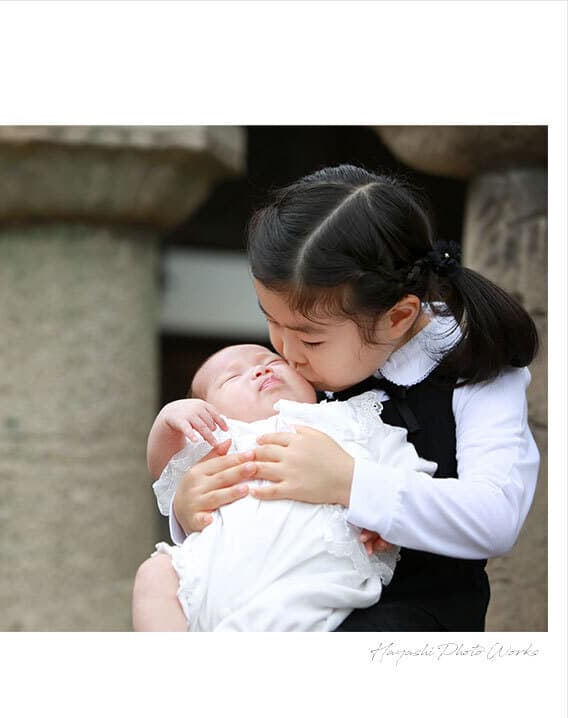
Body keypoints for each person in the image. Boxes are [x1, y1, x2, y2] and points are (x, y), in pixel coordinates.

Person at [150, 164, 540, 632]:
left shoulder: (473, 367)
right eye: (271, 322)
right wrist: (192, 503)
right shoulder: (318, 346)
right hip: (275, 593)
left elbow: (494, 517)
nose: (285, 353)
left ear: (398, 318)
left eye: (309, 340)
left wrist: (351, 483)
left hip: (406, 619)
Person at [133, 343, 436, 632]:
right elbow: (165, 470)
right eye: (233, 376)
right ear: (211, 414)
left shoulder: (348, 420)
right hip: (210, 571)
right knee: (155, 575)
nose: (259, 371)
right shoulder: (220, 442)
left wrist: (383, 509)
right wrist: (168, 420)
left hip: (307, 571)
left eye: (272, 362)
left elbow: (408, 473)